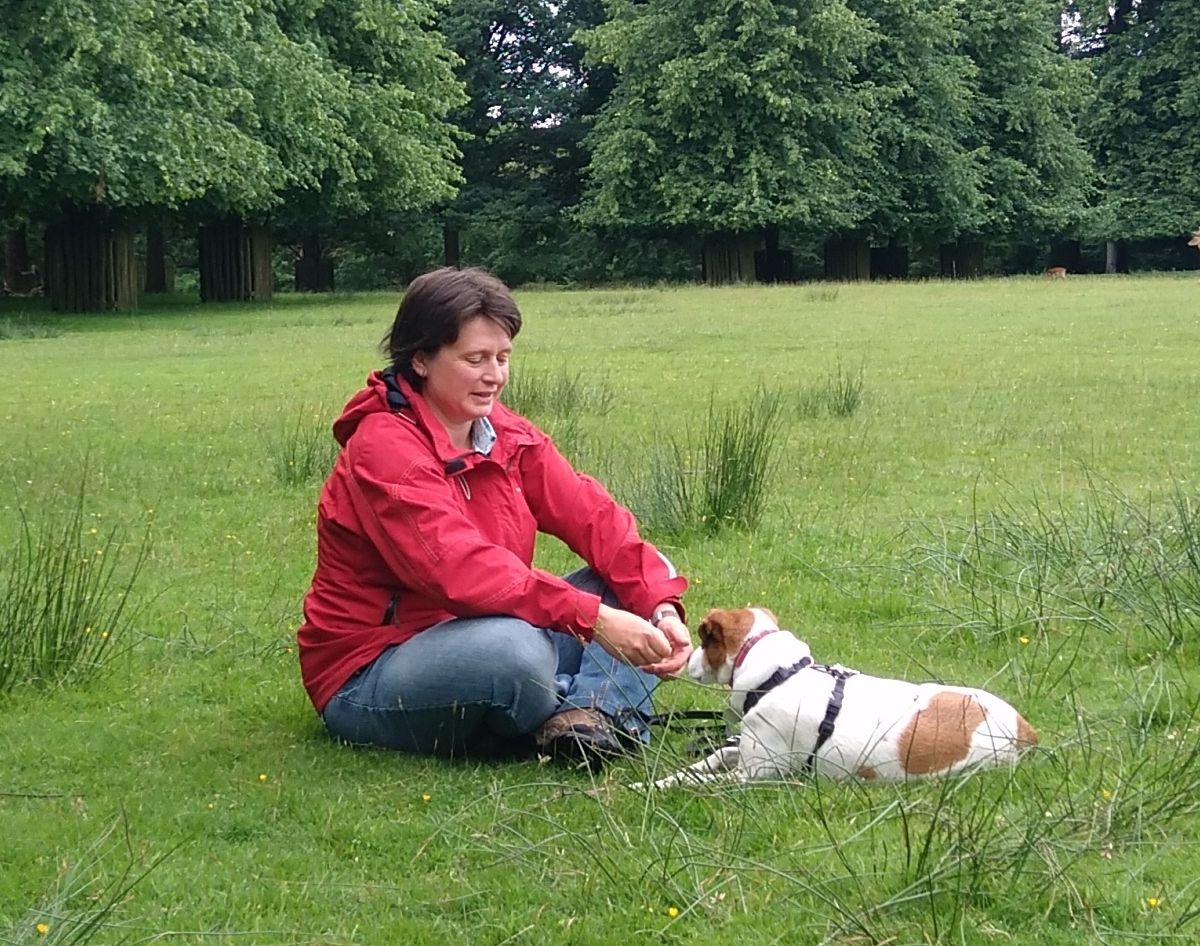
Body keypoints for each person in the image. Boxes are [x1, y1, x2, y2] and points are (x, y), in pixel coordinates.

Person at [297, 266, 692, 770]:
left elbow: (592, 516)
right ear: (420, 359)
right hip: (375, 666)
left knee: (639, 574)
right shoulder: (383, 447)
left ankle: (590, 718)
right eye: (475, 359)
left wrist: (659, 609)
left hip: (486, 626)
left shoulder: (503, 432)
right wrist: (593, 619)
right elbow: (460, 570)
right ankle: (578, 704)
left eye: (503, 357)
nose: (495, 375)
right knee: (516, 653)